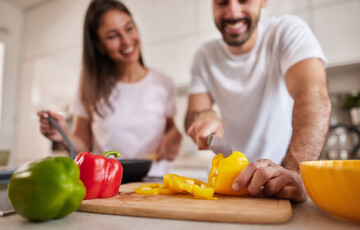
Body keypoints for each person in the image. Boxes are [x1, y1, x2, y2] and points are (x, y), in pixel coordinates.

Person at [185, 0, 331, 202]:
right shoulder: (204, 56)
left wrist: (295, 171)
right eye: (221, 2)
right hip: (231, 189)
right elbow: (193, 113)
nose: (233, 12)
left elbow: (312, 96)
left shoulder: (287, 32)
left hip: (282, 181)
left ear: (263, 1)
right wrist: (203, 116)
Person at [38, 0, 182, 175]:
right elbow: (83, 144)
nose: (127, 41)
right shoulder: (90, 87)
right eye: (113, 36)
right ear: (98, 45)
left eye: (129, 28)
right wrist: (63, 134)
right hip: (106, 185)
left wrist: (175, 136)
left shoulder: (163, 83)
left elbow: (170, 129)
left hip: (155, 184)